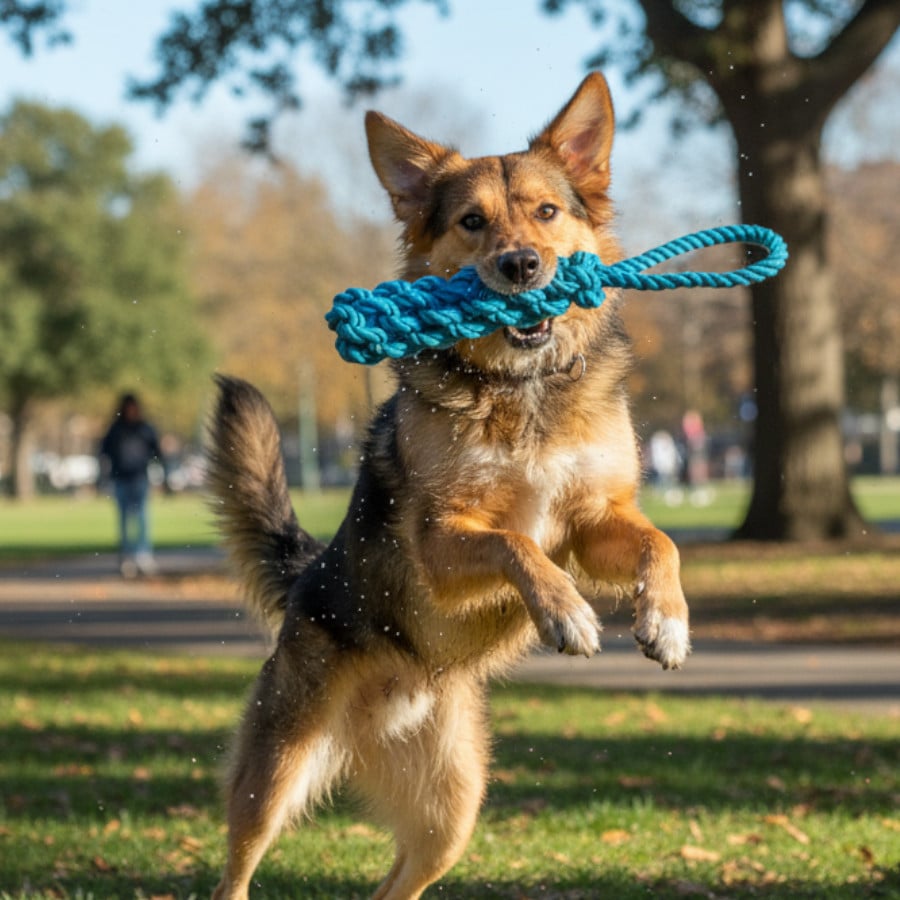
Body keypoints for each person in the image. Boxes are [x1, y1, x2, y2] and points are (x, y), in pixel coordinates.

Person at [99, 393, 165, 577]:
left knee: (143, 519)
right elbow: (104, 453)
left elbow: (157, 452)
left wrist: (164, 478)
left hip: (140, 479)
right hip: (121, 480)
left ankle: (143, 556)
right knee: (124, 521)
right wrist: (103, 478)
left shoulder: (144, 429)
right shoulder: (116, 430)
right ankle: (127, 557)